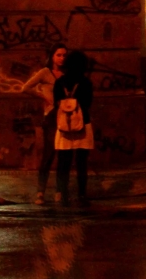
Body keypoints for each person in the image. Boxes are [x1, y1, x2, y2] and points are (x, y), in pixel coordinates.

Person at [22, 43, 66, 205]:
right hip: (51, 117)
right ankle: (40, 192)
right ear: (52, 56)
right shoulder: (45, 73)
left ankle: (59, 191)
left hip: (65, 117)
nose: (61, 58)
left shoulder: (66, 74)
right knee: (48, 155)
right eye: (58, 55)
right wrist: (44, 97)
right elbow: (25, 87)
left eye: (64, 55)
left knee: (63, 156)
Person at [52, 50, 93, 207]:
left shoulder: (59, 83)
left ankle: (63, 194)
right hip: (83, 125)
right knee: (81, 162)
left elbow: (56, 102)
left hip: (64, 125)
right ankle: (82, 194)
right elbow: (88, 103)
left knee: (64, 162)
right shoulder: (86, 83)